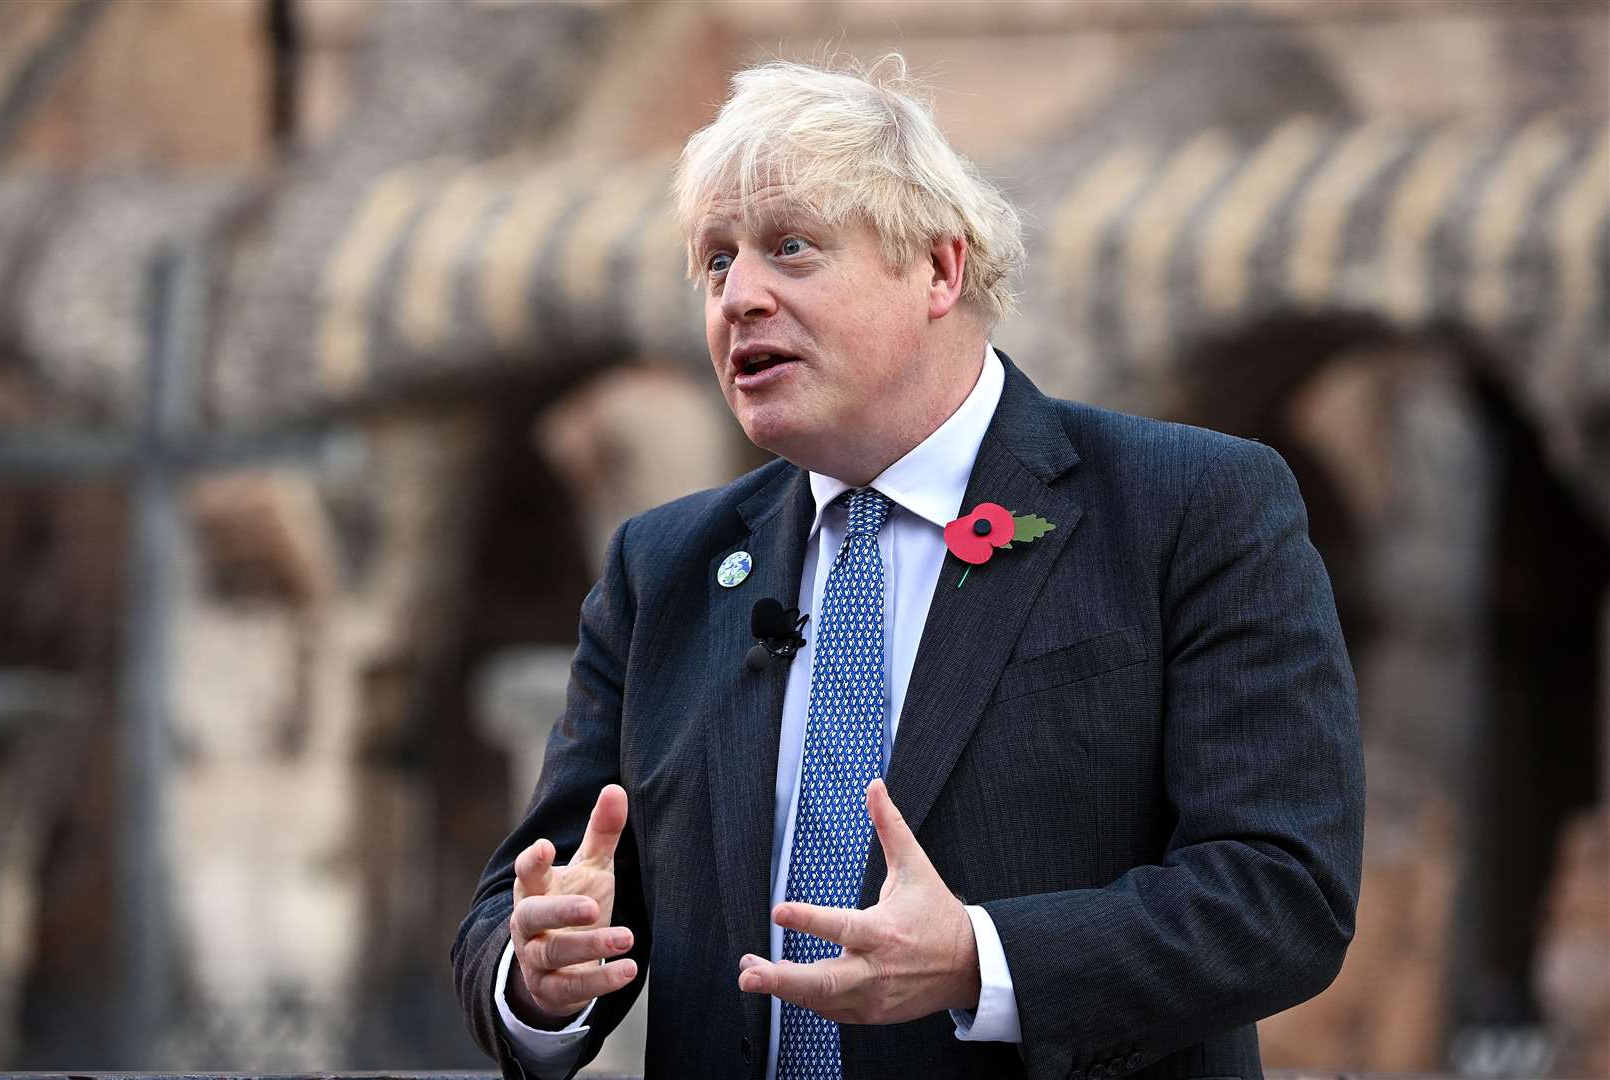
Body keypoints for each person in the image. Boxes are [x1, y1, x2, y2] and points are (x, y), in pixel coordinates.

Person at [453, 54, 1363, 1080]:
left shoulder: (1189, 508)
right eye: (715, 261)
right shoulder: (660, 569)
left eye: (791, 248)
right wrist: (538, 975)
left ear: (940, 269)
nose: (738, 296)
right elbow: (528, 906)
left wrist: (982, 960)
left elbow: (1284, 894)